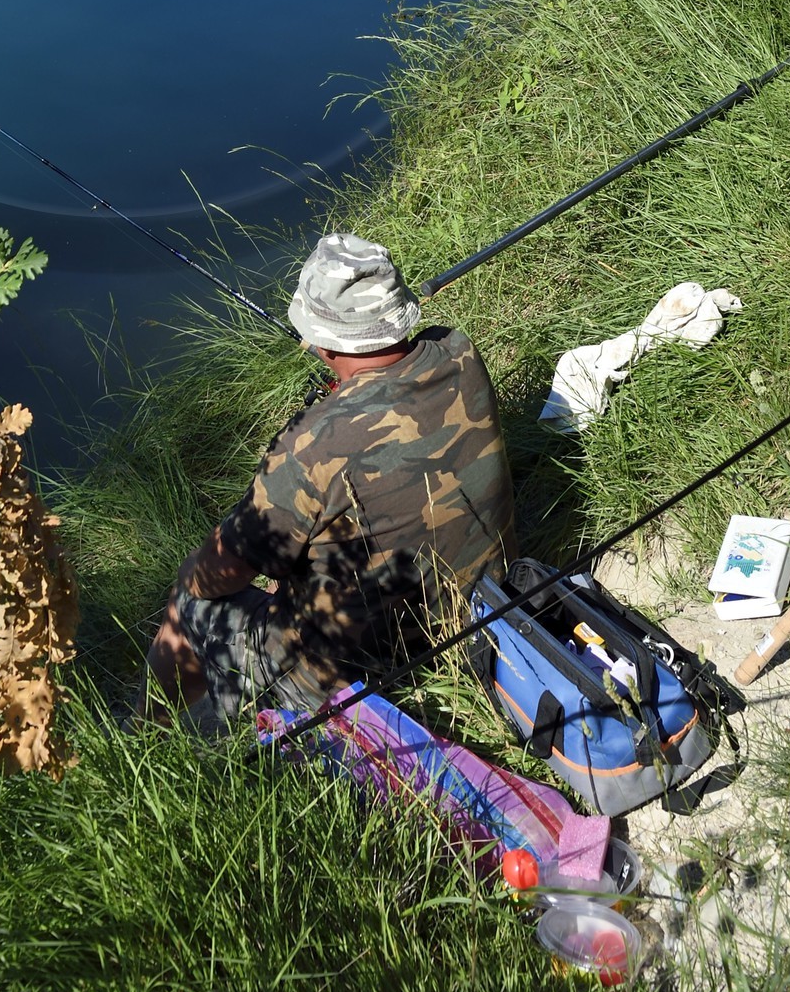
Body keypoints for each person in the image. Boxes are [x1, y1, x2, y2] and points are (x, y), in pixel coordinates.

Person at [146, 231, 514, 728]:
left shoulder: (312, 446)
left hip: (357, 667)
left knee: (188, 599)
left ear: (322, 342)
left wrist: (193, 572)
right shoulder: (458, 349)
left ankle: (151, 729)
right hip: (478, 610)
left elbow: (222, 571)